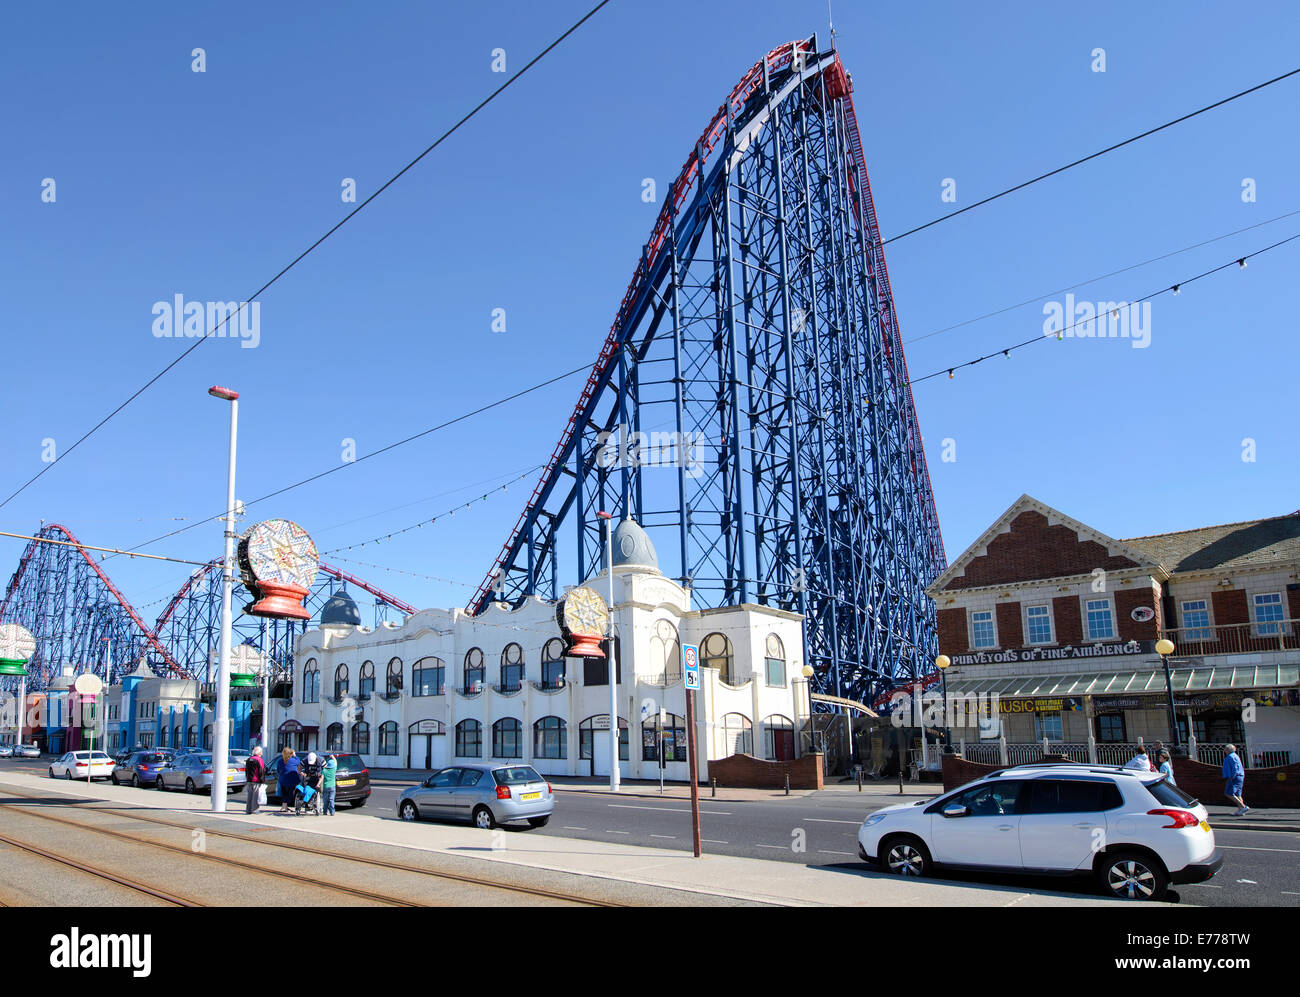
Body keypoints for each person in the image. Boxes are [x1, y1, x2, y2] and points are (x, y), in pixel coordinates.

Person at [1222, 744, 1249, 815]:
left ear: (1228, 750)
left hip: (1234, 777)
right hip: (1239, 776)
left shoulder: (1231, 757)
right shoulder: (1235, 756)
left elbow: (1235, 767)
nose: (1224, 750)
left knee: (1229, 793)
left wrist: (1232, 776)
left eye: (1225, 749)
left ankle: (1243, 807)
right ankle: (1241, 810)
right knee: (1238, 794)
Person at [278, 747, 300, 814]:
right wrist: (295, 755)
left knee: (284, 793)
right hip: (292, 780)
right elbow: (299, 761)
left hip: (283, 779)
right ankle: (284, 807)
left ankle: (284, 806)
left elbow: (278, 770)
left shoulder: (280, 761)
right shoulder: (293, 760)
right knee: (289, 793)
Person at [245, 746, 266, 814]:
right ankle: (255, 810)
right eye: (261, 752)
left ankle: (248, 809)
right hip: (256, 780)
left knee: (250, 795)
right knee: (255, 795)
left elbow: (246, 770)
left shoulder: (249, 759)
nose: (262, 754)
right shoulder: (259, 760)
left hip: (249, 779)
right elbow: (261, 771)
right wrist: (262, 780)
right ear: (259, 753)